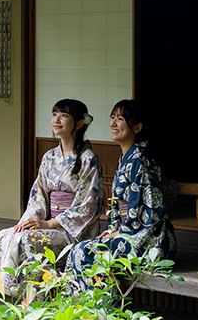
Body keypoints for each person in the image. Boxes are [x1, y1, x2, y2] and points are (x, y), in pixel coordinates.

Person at [0, 99, 103, 297]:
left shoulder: (88, 159)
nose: (56, 120)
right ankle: (13, 291)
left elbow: (88, 205)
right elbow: (38, 195)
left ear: (79, 123)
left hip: (71, 230)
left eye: (64, 115)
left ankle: (39, 295)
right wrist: (30, 221)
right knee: (5, 235)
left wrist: (50, 224)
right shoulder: (49, 157)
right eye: (54, 114)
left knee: (28, 241)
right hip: (48, 222)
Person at [64, 99, 176, 294]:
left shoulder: (140, 160)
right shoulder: (126, 157)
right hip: (128, 232)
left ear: (138, 127)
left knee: (84, 252)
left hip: (149, 240)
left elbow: (148, 209)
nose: (113, 123)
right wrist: (113, 230)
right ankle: (84, 309)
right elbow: (118, 206)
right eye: (112, 117)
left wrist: (121, 232)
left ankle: (104, 310)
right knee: (78, 250)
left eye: (121, 119)